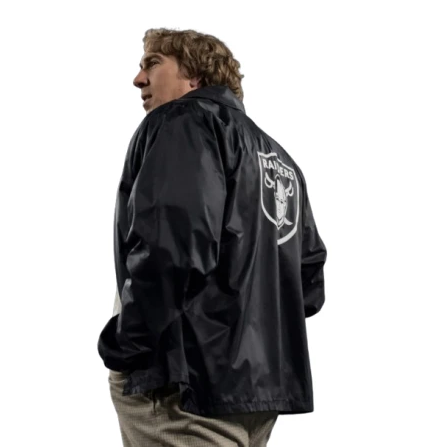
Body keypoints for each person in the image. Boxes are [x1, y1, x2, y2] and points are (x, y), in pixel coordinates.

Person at [97, 27, 327, 447]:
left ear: (195, 77)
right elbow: (308, 284)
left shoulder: (183, 121)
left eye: (152, 64)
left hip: (186, 386)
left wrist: (127, 344)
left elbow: (172, 248)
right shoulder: (280, 160)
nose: (138, 79)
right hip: (257, 396)